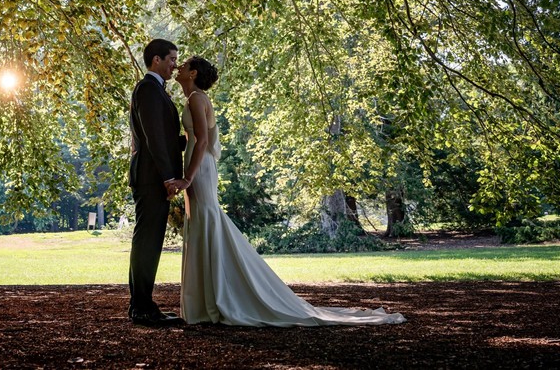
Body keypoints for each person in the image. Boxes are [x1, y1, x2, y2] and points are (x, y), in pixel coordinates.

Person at [171, 56, 406, 327]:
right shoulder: (192, 99)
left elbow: (201, 141)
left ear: (193, 73)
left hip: (199, 169)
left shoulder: (197, 100)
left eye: (184, 65)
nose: (178, 68)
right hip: (196, 165)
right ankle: (206, 299)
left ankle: (220, 297)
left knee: (207, 218)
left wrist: (188, 177)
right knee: (201, 222)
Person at [127, 38, 186, 326]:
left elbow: (165, 138)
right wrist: (168, 177)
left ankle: (141, 305)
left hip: (153, 177)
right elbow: (153, 138)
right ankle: (141, 308)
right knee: (147, 242)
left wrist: (197, 140)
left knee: (150, 241)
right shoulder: (148, 90)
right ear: (156, 60)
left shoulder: (156, 91)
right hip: (152, 178)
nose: (175, 65)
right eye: (172, 59)